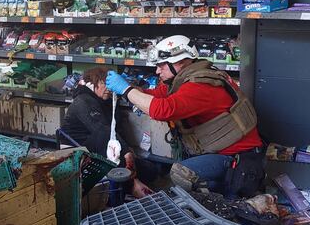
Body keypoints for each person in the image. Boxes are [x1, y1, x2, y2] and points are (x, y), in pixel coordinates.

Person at [105, 35, 264, 198]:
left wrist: (126, 90)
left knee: (181, 174)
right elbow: (157, 95)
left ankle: (218, 199)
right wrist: (130, 89)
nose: (157, 71)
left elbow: (162, 109)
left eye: (161, 66)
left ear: (179, 62)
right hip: (218, 152)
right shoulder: (184, 79)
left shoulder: (200, 85)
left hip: (238, 160)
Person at [60, 67, 155, 197]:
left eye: (110, 85)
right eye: (104, 83)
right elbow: (102, 131)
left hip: (101, 148)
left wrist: (129, 150)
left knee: (150, 170)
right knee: (105, 141)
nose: (109, 88)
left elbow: (115, 129)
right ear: (93, 83)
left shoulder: (107, 101)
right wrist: (126, 152)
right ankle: (132, 185)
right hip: (79, 150)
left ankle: (133, 183)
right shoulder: (83, 100)